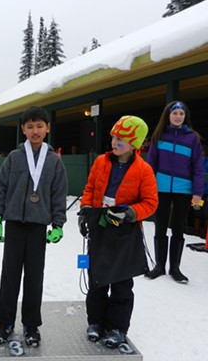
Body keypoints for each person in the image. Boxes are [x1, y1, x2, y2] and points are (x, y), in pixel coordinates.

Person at [78, 115, 157, 349]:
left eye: (121, 139)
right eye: (113, 137)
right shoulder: (101, 162)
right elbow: (90, 188)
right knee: (97, 279)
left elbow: (151, 202)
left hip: (125, 232)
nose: (114, 142)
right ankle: (95, 322)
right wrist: (85, 211)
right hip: (100, 226)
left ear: (134, 144)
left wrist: (130, 213)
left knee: (122, 283)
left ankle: (117, 327)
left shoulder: (144, 170)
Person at [0, 107, 68, 347]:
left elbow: (58, 194)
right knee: (10, 275)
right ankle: (5, 322)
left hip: (37, 228)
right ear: (23, 129)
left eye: (40, 126)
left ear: (47, 128)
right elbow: (1, 188)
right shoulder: (14, 157)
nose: (35, 131)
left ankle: (31, 324)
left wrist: (58, 223)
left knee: (34, 277)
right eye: (30, 126)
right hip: (14, 224)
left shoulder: (54, 161)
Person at [145, 101, 204, 284]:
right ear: (168, 115)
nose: (178, 116)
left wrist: (197, 193)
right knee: (160, 226)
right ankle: (159, 266)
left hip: (183, 190)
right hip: (160, 188)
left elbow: (198, 168)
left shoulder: (193, 138)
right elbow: (150, 165)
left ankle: (175, 268)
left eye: (181, 113)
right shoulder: (159, 136)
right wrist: (146, 187)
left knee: (178, 228)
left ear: (185, 117)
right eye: (175, 113)